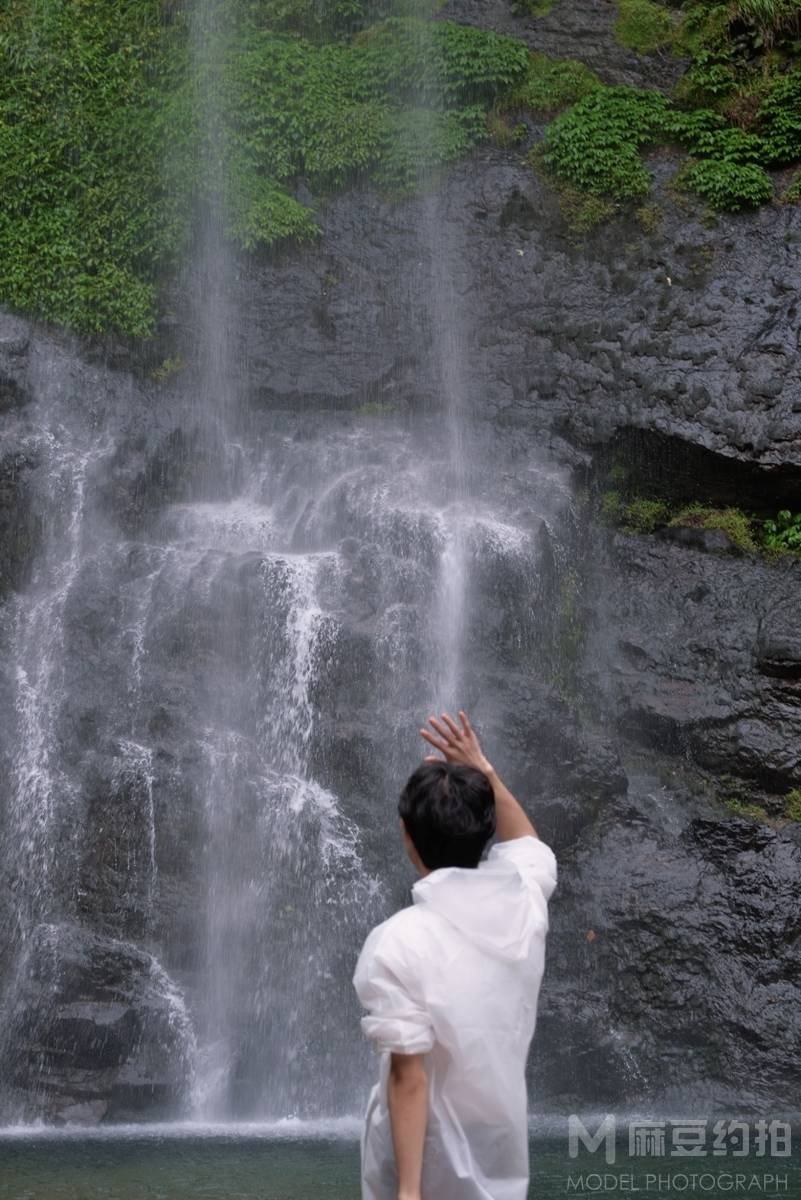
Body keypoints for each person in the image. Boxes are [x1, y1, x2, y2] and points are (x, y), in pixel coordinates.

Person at [353, 710, 558, 1200]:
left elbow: (409, 1075)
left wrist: (407, 1192)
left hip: (419, 1167)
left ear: (406, 833)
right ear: (485, 830)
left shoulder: (397, 941)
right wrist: (481, 769)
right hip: (501, 1162)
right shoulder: (525, 909)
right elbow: (529, 843)